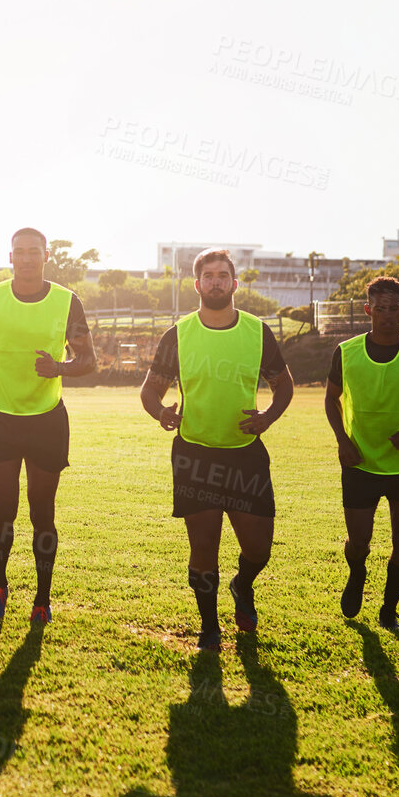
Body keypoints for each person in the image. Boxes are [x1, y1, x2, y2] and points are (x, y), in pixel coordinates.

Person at [140, 247, 294, 651]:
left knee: (259, 548)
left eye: (222, 275)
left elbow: (284, 384)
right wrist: (161, 412)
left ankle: (242, 585)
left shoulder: (257, 332)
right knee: (203, 545)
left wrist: (268, 416)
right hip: (195, 454)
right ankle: (209, 626)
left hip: (245, 454)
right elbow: (150, 389)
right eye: (207, 276)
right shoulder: (178, 335)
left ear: (234, 283)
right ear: (196, 285)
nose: (215, 281)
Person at [0, 227, 96, 623]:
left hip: (47, 421)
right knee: (3, 509)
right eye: (20, 252)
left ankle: (42, 598)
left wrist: (60, 367)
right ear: (10, 257)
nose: (27, 258)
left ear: (46, 256)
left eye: (34, 252)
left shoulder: (67, 302)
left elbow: (88, 360)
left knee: (42, 512)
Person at [324, 274, 399, 629]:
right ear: (368, 310)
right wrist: (342, 441)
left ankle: (389, 609)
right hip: (359, 461)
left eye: (395, 308)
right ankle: (357, 572)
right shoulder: (345, 352)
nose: (388, 314)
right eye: (381, 308)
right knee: (359, 541)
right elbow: (331, 399)